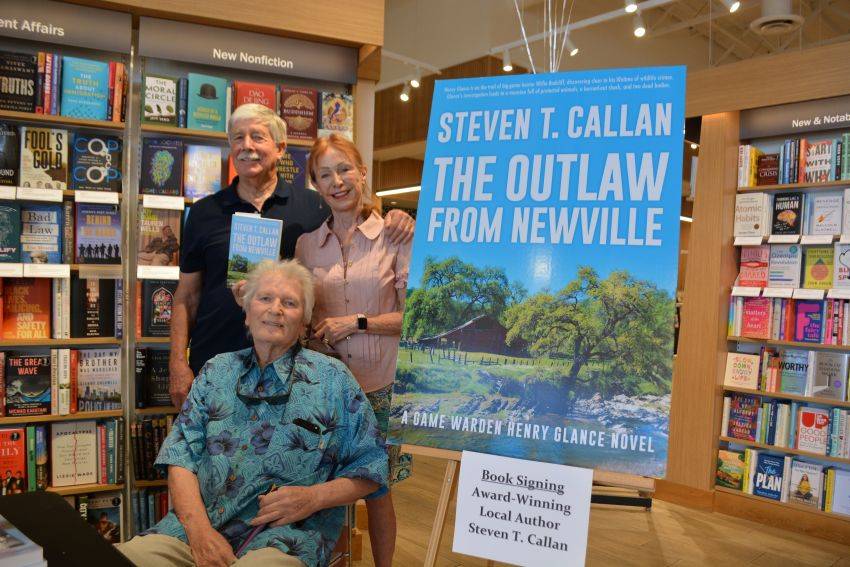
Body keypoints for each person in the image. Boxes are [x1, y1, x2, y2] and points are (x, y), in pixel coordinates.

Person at [118, 259, 387, 567]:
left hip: (283, 541)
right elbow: (180, 459)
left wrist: (314, 498)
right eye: (265, 298)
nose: (276, 309)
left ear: (304, 323)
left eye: (290, 303)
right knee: (126, 558)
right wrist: (200, 534)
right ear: (246, 314)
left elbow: (372, 469)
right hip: (193, 532)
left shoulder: (334, 380)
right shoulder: (215, 371)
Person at [169, 103, 413, 409]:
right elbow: (185, 297)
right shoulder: (204, 212)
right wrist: (178, 364)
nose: (247, 146)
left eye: (257, 136)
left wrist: (398, 217)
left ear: (280, 147)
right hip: (218, 363)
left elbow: (352, 214)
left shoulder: (313, 208)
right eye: (237, 138)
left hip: (290, 375)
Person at [297, 134, 409, 567]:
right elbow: (302, 314)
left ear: (363, 173)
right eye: (325, 174)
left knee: (377, 490)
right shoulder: (307, 245)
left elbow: (415, 319)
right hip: (324, 390)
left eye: (344, 169)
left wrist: (356, 322)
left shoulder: (396, 236)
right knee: (327, 489)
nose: (337, 181)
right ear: (316, 186)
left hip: (381, 387)